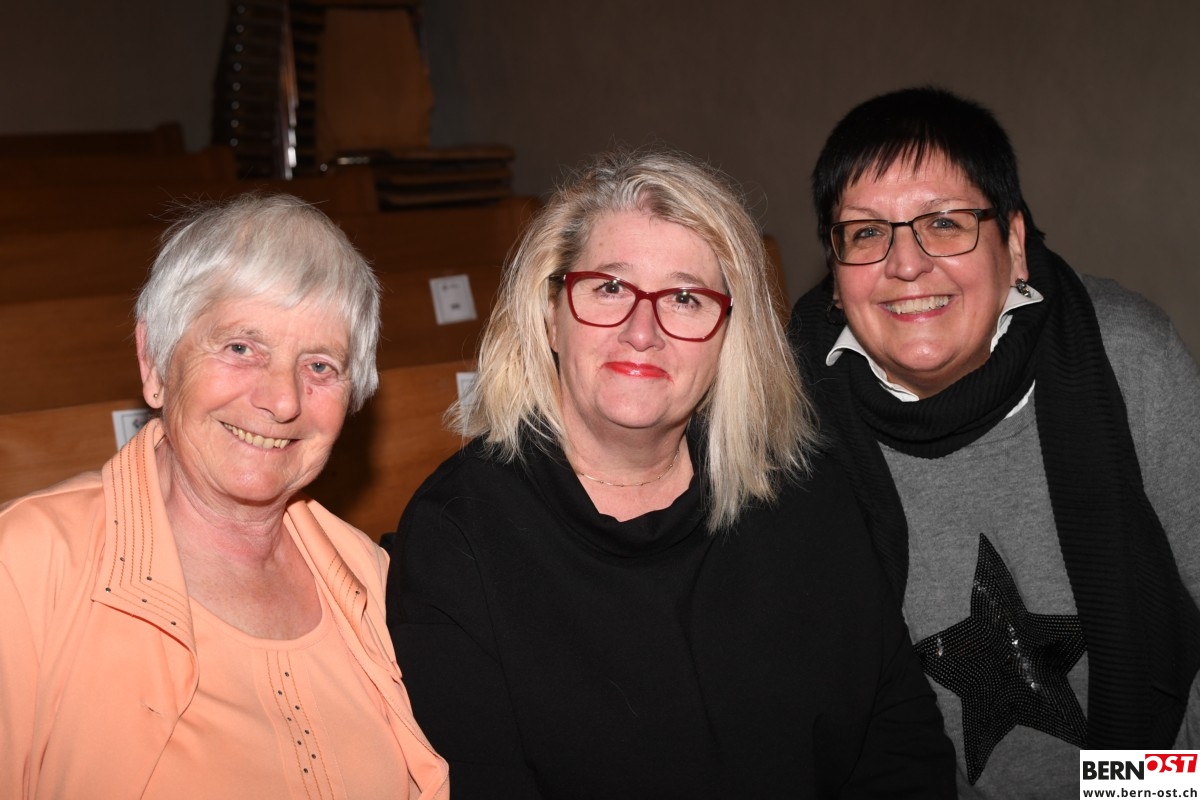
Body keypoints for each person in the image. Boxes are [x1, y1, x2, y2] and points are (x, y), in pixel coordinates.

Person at [385, 147, 956, 798]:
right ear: (550, 315)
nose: (642, 331)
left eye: (685, 298)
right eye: (609, 288)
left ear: (729, 335)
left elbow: (899, 746)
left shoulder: (806, 487)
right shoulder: (457, 535)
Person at [788, 86, 1200, 797]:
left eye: (944, 223)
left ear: (1013, 243)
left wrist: (1132, 790)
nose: (906, 264)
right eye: (866, 233)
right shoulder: (791, 419)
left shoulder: (1124, 356)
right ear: (834, 270)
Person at [0, 194, 448, 799]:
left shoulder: (369, 574)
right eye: (241, 348)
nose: (283, 401)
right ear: (155, 361)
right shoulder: (26, 566)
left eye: (320, 366)